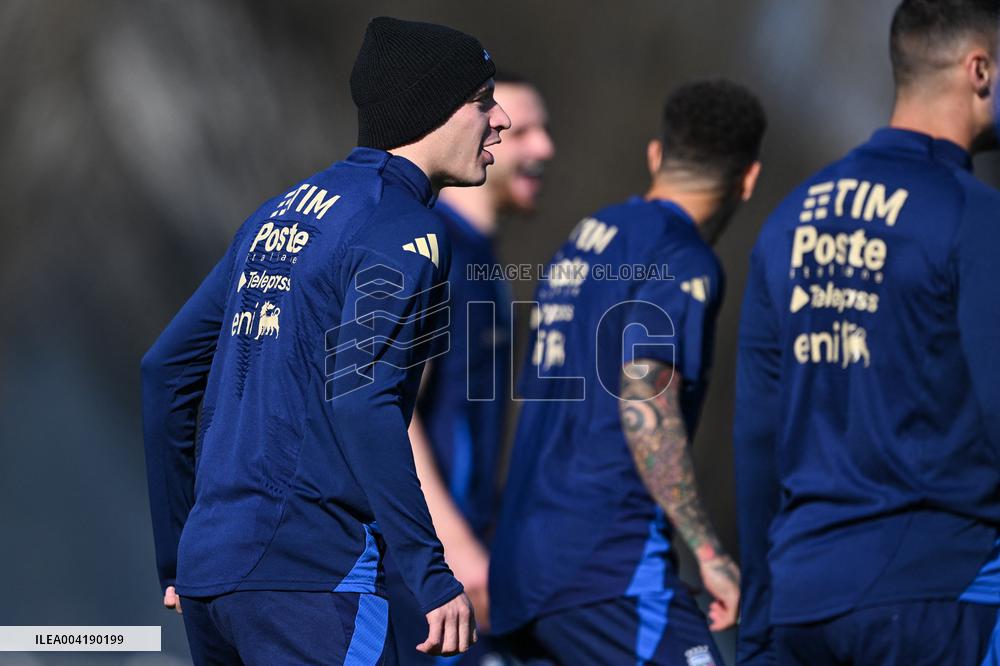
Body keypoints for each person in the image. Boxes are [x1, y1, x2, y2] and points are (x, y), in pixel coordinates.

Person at [141, 16, 510, 664]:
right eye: (483, 101)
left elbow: (164, 369)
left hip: (212, 577)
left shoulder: (277, 213)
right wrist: (431, 574)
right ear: (433, 109)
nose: (499, 119)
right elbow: (360, 398)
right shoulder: (404, 228)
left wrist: (177, 553)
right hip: (310, 580)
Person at [735, 1, 1000, 663]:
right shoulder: (972, 216)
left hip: (800, 601)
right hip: (940, 595)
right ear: (979, 69)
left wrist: (761, 623)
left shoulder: (788, 221)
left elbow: (758, 434)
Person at [489, 80, 766, 665]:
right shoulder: (683, 259)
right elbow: (646, 404)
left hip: (523, 566)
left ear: (656, 155)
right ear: (748, 179)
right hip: (605, 567)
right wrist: (709, 554)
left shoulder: (587, 239)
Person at [385, 73, 555, 664]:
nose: (543, 149)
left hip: (462, 571)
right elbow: (389, 412)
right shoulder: (437, 247)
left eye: (545, 132)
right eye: (524, 129)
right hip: (421, 581)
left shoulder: (482, 259)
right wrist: (456, 550)